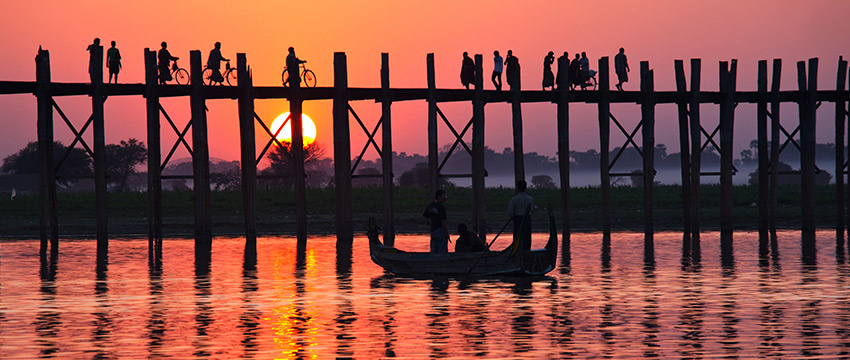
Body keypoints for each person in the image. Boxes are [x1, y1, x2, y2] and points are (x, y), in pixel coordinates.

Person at [507, 180, 534, 251]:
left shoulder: (514, 199)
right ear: (526, 188)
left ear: (518, 188)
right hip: (527, 220)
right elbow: (532, 211)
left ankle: (518, 253)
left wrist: (514, 219)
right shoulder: (530, 199)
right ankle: (526, 252)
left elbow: (510, 212)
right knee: (527, 238)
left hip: (518, 220)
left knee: (517, 239)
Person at [423, 189, 449, 254]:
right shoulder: (441, 207)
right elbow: (443, 221)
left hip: (433, 231)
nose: (446, 197)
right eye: (444, 196)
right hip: (440, 230)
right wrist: (446, 234)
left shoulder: (431, 206)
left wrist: (428, 223)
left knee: (434, 250)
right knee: (442, 251)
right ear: (439, 197)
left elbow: (425, 216)